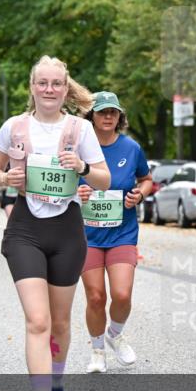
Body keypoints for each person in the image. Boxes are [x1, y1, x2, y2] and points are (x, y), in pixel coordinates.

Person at [0, 55, 109, 391]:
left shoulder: (79, 131)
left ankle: (56, 387)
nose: (49, 90)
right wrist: (6, 178)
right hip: (25, 230)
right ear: (32, 87)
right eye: (43, 83)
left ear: (65, 88)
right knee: (37, 321)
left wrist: (83, 169)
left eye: (56, 83)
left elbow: (103, 179)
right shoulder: (15, 127)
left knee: (58, 324)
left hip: (68, 232)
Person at [75, 92, 152, 373]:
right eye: (102, 112)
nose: (108, 117)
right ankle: (97, 351)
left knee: (121, 294)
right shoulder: (79, 149)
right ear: (91, 116)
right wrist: (77, 191)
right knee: (96, 296)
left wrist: (139, 196)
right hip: (87, 235)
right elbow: (63, 186)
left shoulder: (131, 148)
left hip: (122, 233)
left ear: (120, 117)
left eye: (113, 112)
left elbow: (146, 180)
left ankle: (114, 334)